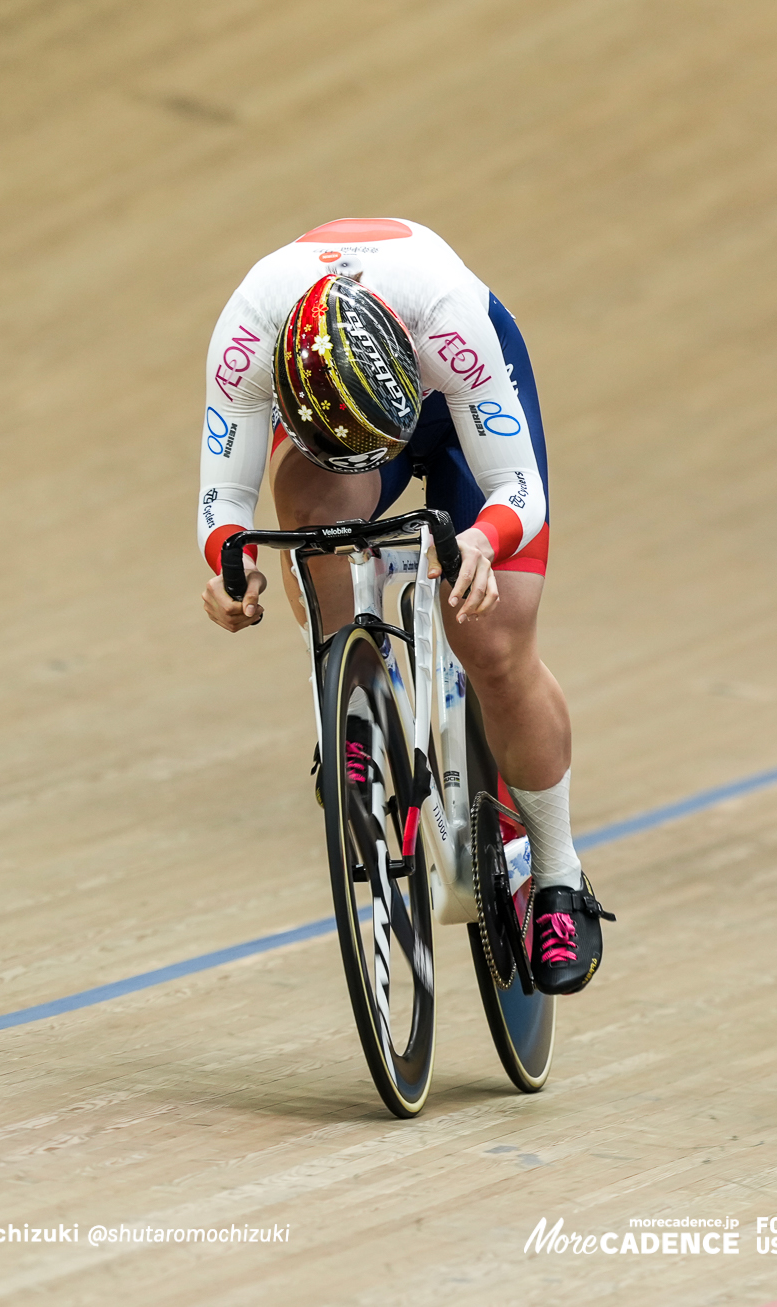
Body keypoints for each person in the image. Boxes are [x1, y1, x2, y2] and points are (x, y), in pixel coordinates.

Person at [195, 217, 609, 995]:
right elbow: (224, 496)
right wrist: (230, 566)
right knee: (310, 525)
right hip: (338, 415)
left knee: (492, 636)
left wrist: (484, 540)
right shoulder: (250, 328)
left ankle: (557, 872)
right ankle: (354, 709)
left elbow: (521, 490)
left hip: (459, 417)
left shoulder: (451, 318)